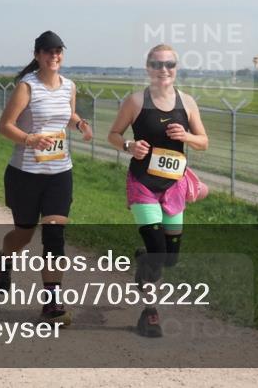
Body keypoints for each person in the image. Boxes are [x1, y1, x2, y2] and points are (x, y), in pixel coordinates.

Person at [107, 44, 208, 338]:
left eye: (169, 64)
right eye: (157, 64)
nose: (163, 70)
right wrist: (128, 146)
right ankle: (150, 313)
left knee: (170, 257)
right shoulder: (136, 101)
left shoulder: (187, 103)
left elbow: (204, 141)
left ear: (176, 68)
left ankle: (144, 261)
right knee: (157, 249)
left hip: (173, 187)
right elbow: (113, 135)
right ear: (148, 68)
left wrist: (187, 135)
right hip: (143, 184)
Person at [0, 31, 92, 327]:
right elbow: (5, 126)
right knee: (23, 235)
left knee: (54, 235)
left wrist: (80, 123)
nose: (54, 56)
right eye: (48, 52)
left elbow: (69, 114)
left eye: (58, 51)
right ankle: (5, 258)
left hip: (60, 173)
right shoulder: (27, 87)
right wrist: (29, 139)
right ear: (37, 55)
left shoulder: (69, 86)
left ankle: (52, 304)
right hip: (25, 174)